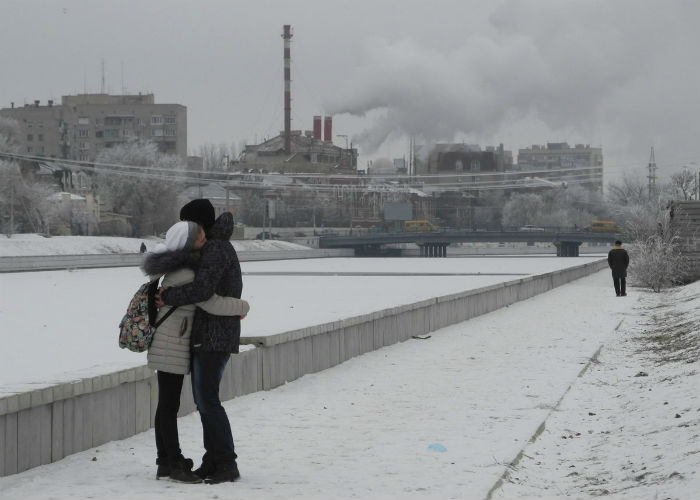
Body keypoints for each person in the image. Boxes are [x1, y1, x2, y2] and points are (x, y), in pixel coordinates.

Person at [142, 220, 249, 483]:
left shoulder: (178, 268)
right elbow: (208, 301)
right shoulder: (187, 274)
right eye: (201, 237)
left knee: (168, 405)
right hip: (173, 346)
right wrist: (241, 306)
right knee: (170, 405)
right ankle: (173, 462)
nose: (205, 240)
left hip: (169, 344)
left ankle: (166, 462)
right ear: (189, 243)